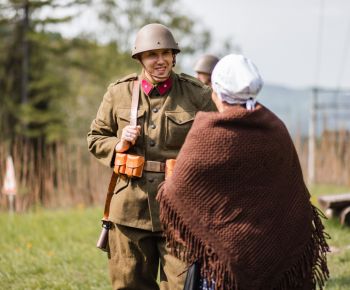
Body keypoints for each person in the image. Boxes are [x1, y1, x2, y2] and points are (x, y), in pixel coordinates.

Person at [157, 54, 330, 290]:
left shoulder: (207, 133)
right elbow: (292, 192)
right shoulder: (274, 127)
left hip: (222, 266)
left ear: (216, 91)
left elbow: (176, 189)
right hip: (274, 248)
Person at [87, 23, 216, 290]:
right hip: (129, 210)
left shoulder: (197, 95)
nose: (160, 61)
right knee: (129, 285)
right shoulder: (118, 92)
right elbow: (95, 137)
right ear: (140, 59)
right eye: (152, 55)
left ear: (174, 56)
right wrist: (119, 144)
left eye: (165, 54)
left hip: (180, 211)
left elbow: (219, 144)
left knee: (184, 286)